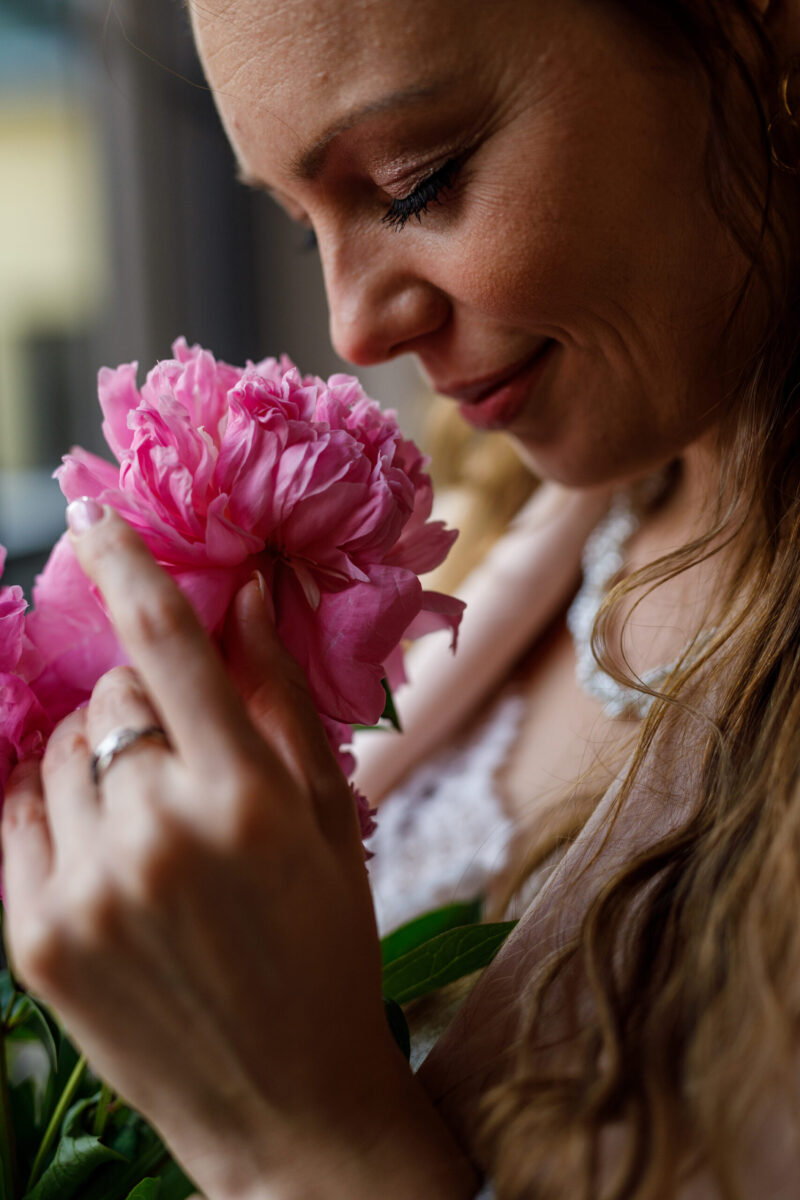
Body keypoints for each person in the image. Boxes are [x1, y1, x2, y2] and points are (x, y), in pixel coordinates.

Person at [3, 0, 800, 1196]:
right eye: (294, 226)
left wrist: (301, 1142)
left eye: (415, 185)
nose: (351, 326)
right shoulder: (514, 526)